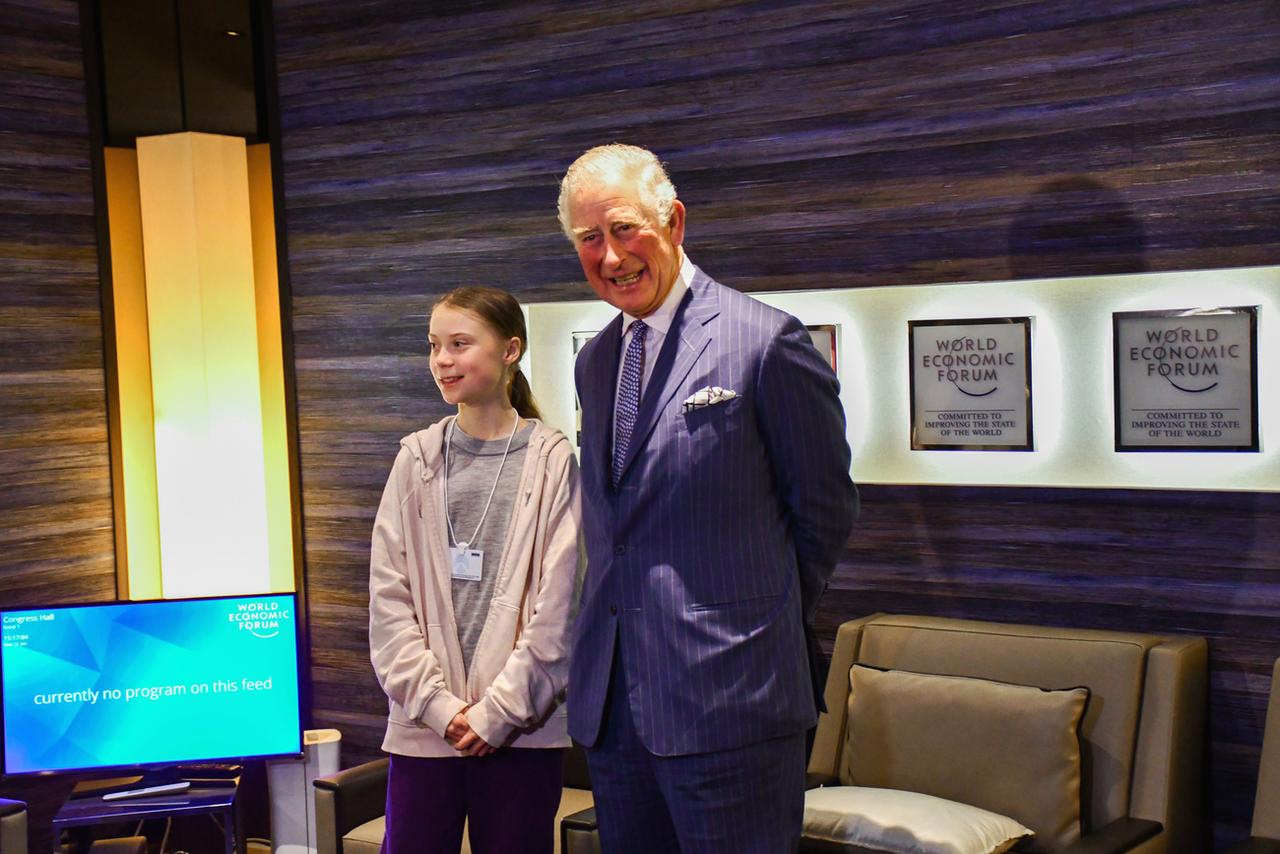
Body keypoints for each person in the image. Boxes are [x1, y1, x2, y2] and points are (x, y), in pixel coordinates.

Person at [558, 144, 859, 853]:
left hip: (733, 700)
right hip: (616, 709)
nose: (610, 256)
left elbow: (825, 512)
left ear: (676, 222)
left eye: (625, 229)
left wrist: (756, 619)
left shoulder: (765, 342)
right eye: (589, 239)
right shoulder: (596, 360)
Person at [368, 286, 581, 854]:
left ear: (510, 350)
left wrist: (497, 715)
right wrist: (443, 709)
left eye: (460, 344)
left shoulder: (553, 459)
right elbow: (388, 606)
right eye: (435, 345)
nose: (442, 359)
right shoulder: (415, 457)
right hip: (423, 731)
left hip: (522, 732)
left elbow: (559, 610)